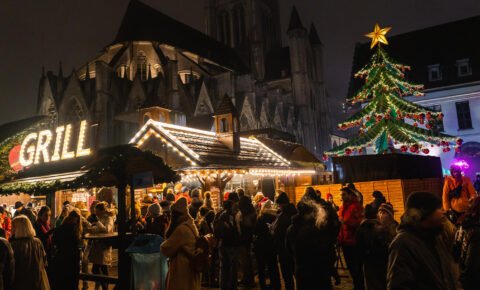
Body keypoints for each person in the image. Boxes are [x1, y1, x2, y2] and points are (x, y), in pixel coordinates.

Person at [387, 191, 458, 290]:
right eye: (438, 208)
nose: (443, 211)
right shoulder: (403, 243)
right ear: (423, 213)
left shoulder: (435, 238)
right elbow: (399, 285)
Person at [286, 196, 337, 290]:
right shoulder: (315, 229)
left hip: (301, 272)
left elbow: (289, 252)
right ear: (309, 213)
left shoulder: (291, 229)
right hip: (318, 272)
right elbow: (325, 252)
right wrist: (332, 270)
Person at [160, 197, 202, 290]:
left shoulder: (181, 230)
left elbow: (165, 248)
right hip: (191, 269)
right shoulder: (191, 225)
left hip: (181, 269)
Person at [357, 203, 398, 290]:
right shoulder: (373, 228)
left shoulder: (395, 228)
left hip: (389, 263)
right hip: (374, 263)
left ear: (391, 215)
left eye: (384, 213)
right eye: (379, 212)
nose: (380, 215)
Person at [10, 215, 50, 290]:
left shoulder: (14, 245)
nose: (11, 229)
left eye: (13, 227)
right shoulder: (37, 242)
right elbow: (44, 261)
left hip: (20, 282)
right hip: (36, 278)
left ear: (18, 228)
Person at [338, 187, 364, 290]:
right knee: (351, 268)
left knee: (357, 268)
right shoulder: (341, 208)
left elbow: (360, 223)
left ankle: (360, 287)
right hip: (345, 242)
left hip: (354, 242)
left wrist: (346, 222)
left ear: (349, 195)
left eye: (343, 195)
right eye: (341, 195)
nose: (341, 197)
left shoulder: (356, 207)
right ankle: (356, 285)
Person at [51, 210, 82, 290]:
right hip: (72, 259)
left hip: (60, 257)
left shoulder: (59, 228)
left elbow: (54, 241)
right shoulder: (75, 230)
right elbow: (78, 244)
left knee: (61, 282)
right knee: (72, 282)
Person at [272, 192, 297, 290]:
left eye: (279, 205)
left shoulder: (283, 217)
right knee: (295, 274)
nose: (279, 207)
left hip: (284, 250)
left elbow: (278, 233)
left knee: (287, 276)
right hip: (294, 250)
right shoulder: (294, 212)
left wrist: (272, 231)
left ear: (282, 204)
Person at [254, 200, 280, 290]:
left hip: (261, 246)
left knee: (261, 268)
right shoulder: (275, 217)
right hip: (271, 245)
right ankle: (276, 285)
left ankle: (263, 286)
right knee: (273, 266)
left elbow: (256, 231)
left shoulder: (260, 218)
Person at [455, 196, 480, 290]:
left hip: (461, 274)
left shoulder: (463, 225)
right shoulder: (476, 232)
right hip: (472, 282)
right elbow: (472, 265)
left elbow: (455, 252)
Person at [214, 199, 240, 290]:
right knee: (230, 268)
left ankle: (226, 286)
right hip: (229, 245)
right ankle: (229, 286)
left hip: (224, 244)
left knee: (225, 267)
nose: (234, 208)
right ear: (230, 207)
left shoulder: (222, 215)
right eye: (233, 206)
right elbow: (230, 231)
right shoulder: (226, 217)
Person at [89, 202, 115, 290]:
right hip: (98, 246)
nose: (96, 213)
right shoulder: (101, 218)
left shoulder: (109, 218)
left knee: (100, 268)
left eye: (97, 211)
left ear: (102, 211)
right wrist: (92, 227)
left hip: (103, 246)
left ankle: (105, 287)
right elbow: (99, 229)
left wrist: (97, 223)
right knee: (99, 268)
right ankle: (104, 287)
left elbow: (107, 229)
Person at [236, 195, 256, 287]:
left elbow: (245, 226)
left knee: (245, 260)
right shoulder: (252, 211)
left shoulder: (244, 213)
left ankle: (248, 280)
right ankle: (249, 279)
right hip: (249, 238)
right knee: (247, 259)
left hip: (243, 239)